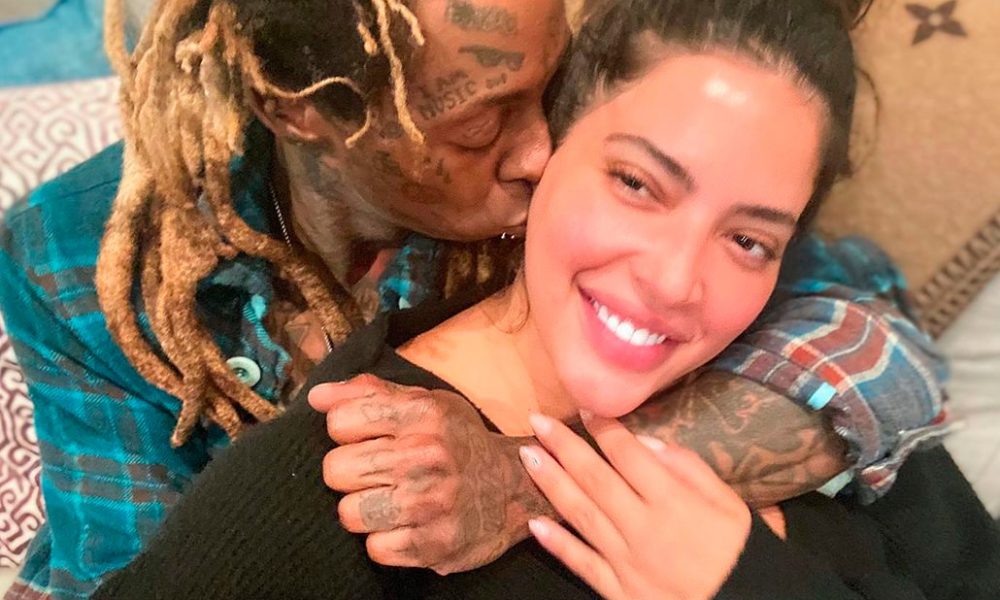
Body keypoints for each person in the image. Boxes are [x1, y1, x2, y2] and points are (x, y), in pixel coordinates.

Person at [0, 0, 945, 597]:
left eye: (549, 90)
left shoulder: (571, 201)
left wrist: (523, 481)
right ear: (300, 111)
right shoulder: (76, 257)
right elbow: (137, 569)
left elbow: (880, 357)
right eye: (480, 125)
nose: (543, 151)